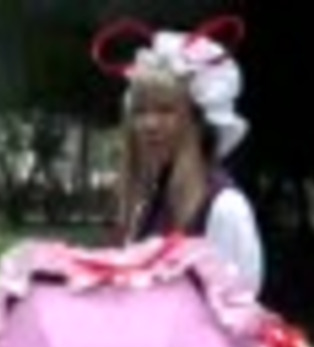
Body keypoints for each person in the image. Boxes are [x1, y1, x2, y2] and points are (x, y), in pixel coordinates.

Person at [94, 16, 266, 294]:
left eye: (165, 110)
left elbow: (237, 309)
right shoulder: (146, 204)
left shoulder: (225, 208)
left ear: (198, 121)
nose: (149, 124)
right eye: (140, 111)